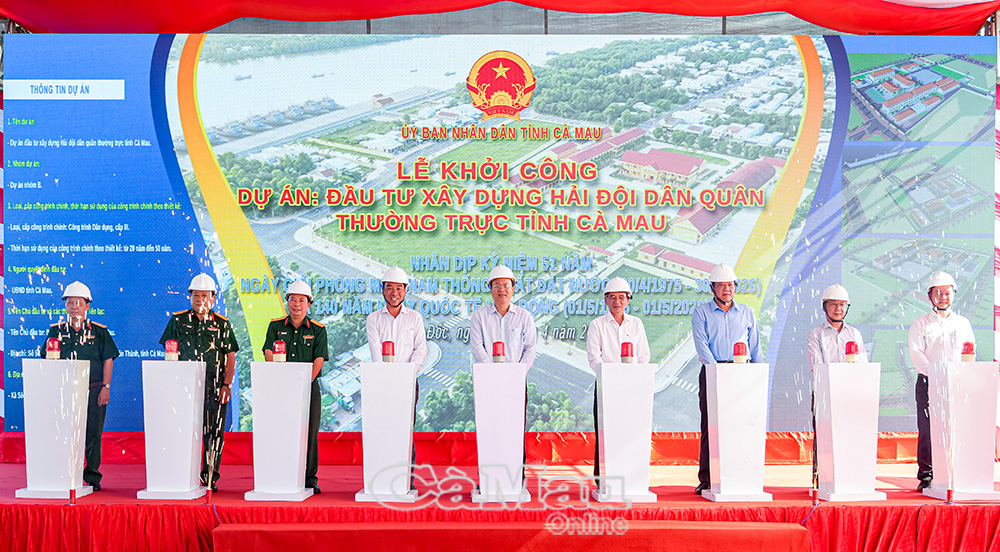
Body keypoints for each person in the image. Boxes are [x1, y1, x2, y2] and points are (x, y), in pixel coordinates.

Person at [159, 273, 238, 492]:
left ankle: (210, 476)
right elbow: (169, 350)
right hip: (183, 385)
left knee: (213, 433)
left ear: (213, 298)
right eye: (196, 295)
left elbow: (230, 356)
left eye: (204, 295)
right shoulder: (178, 320)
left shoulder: (222, 324)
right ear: (190, 297)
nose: (200, 299)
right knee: (183, 430)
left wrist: (227, 385)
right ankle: (184, 473)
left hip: (215, 386)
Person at [690, 263, 761, 495]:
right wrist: (715, 372)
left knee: (742, 424)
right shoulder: (701, 312)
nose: (726, 289)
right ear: (712, 288)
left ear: (735, 286)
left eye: (730, 285)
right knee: (710, 425)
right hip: (713, 370)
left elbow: (755, 346)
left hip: (742, 372)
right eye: (721, 285)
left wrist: (758, 374)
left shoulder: (747, 312)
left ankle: (741, 474)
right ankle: (707, 478)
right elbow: (702, 345)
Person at [45, 281, 119, 491]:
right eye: (69, 302)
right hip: (65, 391)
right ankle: (67, 473)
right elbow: (48, 359)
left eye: (78, 303)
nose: (74, 307)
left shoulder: (99, 332)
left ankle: (92, 476)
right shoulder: (56, 331)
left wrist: (106, 387)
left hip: (93, 390)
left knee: (93, 434)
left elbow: (107, 360)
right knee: (65, 433)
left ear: (87, 305)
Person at [908, 271, 974, 491]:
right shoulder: (920, 323)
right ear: (930, 296)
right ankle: (926, 476)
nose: (943, 297)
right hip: (928, 382)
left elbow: (969, 352)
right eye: (938, 293)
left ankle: (956, 473)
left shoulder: (962, 323)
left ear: (954, 294)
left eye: (947, 293)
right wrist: (936, 374)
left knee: (956, 428)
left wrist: (960, 375)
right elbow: (916, 354)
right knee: (927, 430)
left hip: (956, 382)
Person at [263, 279, 328, 494]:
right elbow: (268, 351)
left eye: (302, 300)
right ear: (287, 302)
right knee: (281, 429)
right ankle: (282, 473)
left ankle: (309, 478)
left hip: (308, 388)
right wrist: (278, 376)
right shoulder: (275, 326)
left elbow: (319, 358)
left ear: (309, 304)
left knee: (310, 432)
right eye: (293, 300)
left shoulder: (318, 330)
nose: (297, 304)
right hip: (280, 388)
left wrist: (304, 382)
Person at [366, 266, 427, 484]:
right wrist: (387, 377)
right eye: (390, 288)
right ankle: (383, 478)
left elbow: (420, 349)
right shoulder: (373, 319)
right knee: (383, 429)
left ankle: (406, 482)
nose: (394, 293)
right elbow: (376, 352)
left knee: (405, 431)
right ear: (382, 290)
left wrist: (408, 374)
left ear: (405, 290)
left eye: (399, 288)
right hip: (382, 383)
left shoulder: (414, 318)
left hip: (408, 382)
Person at [586, 277, 650, 478]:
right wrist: (610, 377)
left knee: (630, 431)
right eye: (612, 297)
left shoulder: (636, 324)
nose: (617, 302)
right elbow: (594, 357)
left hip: (632, 387)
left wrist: (634, 378)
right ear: (605, 300)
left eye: (621, 297)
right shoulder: (597, 325)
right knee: (605, 432)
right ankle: (603, 478)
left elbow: (644, 355)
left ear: (628, 300)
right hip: (606, 386)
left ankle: (629, 475)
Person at [806, 283, 868, 485]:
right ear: (824, 307)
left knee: (850, 436)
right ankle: (821, 481)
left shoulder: (854, 334)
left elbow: (862, 364)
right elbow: (816, 365)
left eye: (842, 304)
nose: (838, 309)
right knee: (824, 438)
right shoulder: (816, 334)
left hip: (849, 395)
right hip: (825, 394)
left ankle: (849, 479)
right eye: (833, 304)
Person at [469, 265, 537, 367]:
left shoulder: (524, 317)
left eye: (506, 285)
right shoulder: (479, 316)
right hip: (488, 374)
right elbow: (477, 347)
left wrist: (518, 372)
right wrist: (491, 370)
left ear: (513, 288)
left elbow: (530, 349)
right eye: (497, 285)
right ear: (490, 288)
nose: (502, 289)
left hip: (516, 375)